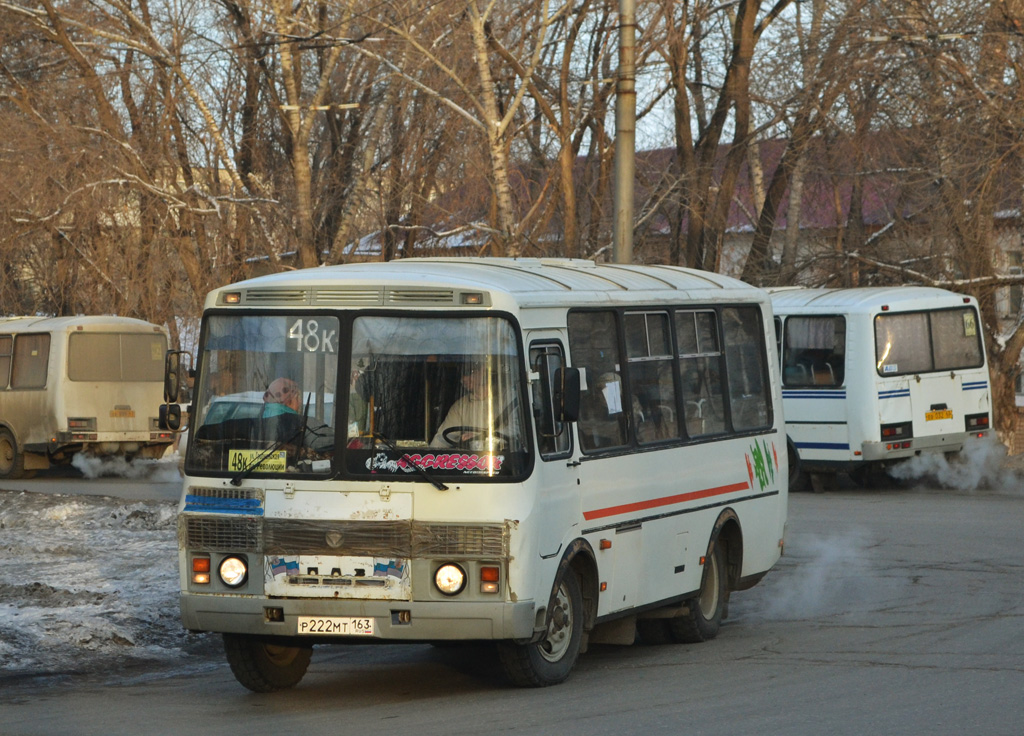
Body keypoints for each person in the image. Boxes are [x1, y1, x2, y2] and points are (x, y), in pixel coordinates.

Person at [431, 364, 509, 448]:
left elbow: (516, 431)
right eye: (461, 375)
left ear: (483, 371)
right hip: (471, 459)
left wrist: (483, 436)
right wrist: (431, 457)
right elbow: (442, 439)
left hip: (503, 456)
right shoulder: (460, 406)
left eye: (469, 373)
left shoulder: (507, 398)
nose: (463, 379)